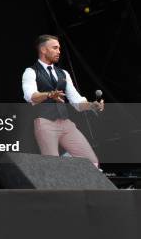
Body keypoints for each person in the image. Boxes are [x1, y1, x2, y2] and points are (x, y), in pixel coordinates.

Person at [22, 34, 103, 166]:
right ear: (43, 50)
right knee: (53, 166)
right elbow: (30, 96)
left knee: (91, 162)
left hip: (66, 123)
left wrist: (92, 105)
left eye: (59, 48)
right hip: (45, 123)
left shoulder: (63, 73)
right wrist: (49, 95)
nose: (59, 51)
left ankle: (66, 166)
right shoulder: (30, 71)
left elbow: (77, 102)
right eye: (55, 48)